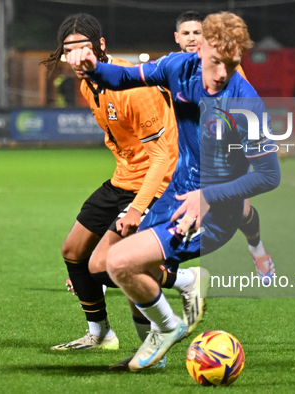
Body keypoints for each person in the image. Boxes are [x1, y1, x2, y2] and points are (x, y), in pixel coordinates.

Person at [66, 11, 281, 371]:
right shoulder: (179, 67)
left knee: (122, 262)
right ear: (202, 50)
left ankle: (168, 326)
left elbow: (269, 175)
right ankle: (163, 336)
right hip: (174, 195)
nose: (223, 72)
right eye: (216, 61)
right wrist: (91, 67)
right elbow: (123, 76)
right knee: (103, 264)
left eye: (232, 63)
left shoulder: (245, 102)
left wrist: (209, 196)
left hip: (212, 211)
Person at [41, 14, 196, 358]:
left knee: (104, 265)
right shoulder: (86, 84)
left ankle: (183, 285)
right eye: (69, 50)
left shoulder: (134, 89)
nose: (77, 56)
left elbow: (161, 157)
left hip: (158, 182)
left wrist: (139, 208)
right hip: (123, 178)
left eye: (83, 48)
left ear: (101, 47)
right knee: (73, 251)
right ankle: (99, 334)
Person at [170, 10, 275, 284]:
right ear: (177, 38)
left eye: (197, 33)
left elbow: (248, 110)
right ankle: (118, 266)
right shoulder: (174, 67)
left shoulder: (226, 67)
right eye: (187, 33)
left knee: (239, 211)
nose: (192, 38)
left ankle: (256, 248)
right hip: (182, 154)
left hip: (224, 152)